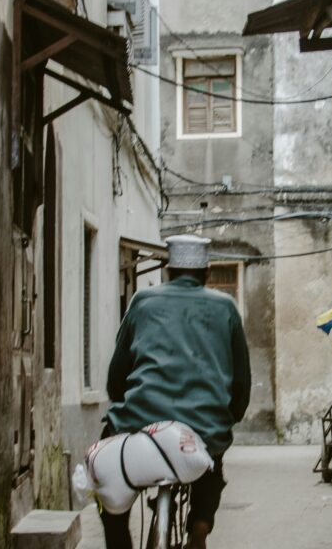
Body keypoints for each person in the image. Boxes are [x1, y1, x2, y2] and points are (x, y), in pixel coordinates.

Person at [100, 234, 252, 549]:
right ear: (207, 274)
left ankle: (119, 541)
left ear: (168, 271)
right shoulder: (226, 307)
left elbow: (116, 378)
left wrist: (122, 401)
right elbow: (241, 380)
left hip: (140, 422)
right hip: (203, 425)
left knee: (107, 476)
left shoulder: (142, 302)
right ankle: (199, 526)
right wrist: (228, 418)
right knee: (211, 461)